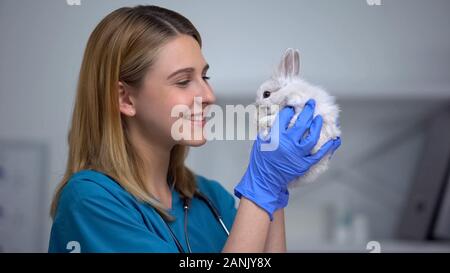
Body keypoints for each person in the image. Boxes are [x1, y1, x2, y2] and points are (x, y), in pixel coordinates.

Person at [48, 5, 341, 253]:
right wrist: (262, 186)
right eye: (183, 81)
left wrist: (276, 186)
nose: (209, 95)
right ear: (125, 98)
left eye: (205, 76)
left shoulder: (208, 197)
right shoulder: (90, 202)